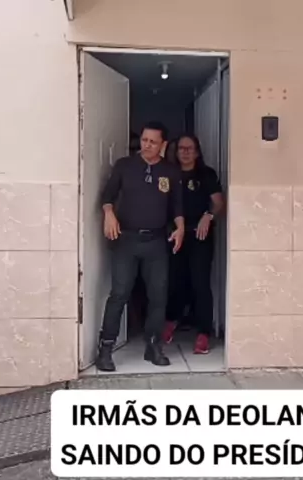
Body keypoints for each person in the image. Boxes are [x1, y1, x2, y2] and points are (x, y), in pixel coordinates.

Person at [96, 121, 185, 372]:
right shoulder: (125, 166)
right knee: (119, 293)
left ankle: (153, 346)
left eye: (153, 142)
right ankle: (106, 348)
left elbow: (176, 206)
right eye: (144, 140)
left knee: (158, 295)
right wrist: (109, 214)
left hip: (156, 242)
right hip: (126, 240)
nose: (147, 145)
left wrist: (180, 227)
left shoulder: (170, 171)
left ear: (163, 145)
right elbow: (107, 196)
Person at [163, 134, 224, 354]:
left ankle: (203, 333)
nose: (185, 152)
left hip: (200, 236)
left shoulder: (206, 174)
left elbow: (219, 203)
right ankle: (170, 321)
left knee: (200, 283)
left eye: (190, 148)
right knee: (174, 281)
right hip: (174, 235)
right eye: (181, 148)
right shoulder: (168, 173)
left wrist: (209, 215)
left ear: (197, 151)